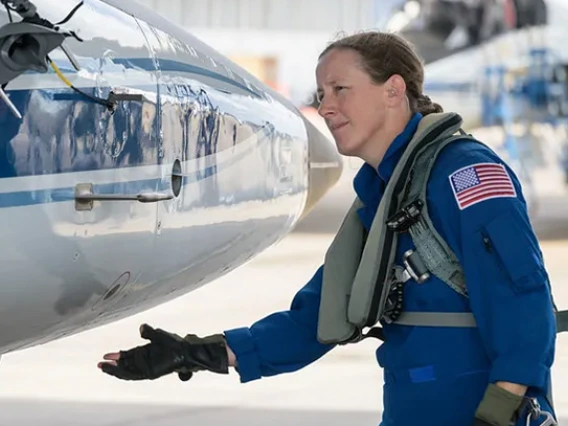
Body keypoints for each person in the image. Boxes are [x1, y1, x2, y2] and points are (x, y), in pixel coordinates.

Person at [97, 31, 559, 426]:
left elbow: (523, 298)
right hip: (414, 407)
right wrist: (195, 353)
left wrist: (500, 410)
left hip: (474, 410)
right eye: (321, 95)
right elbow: (316, 319)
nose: (327, 107)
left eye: (341, 89)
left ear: (393, 90)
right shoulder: (385, 195)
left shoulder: (465, 176)